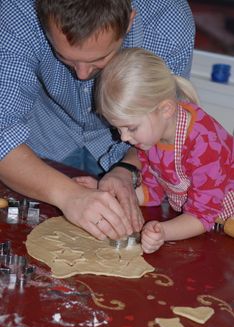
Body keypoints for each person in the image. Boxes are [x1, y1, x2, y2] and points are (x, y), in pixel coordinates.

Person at [0, 0, 195, 240]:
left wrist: (128, 169)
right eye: (64, 56)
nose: (82, 75)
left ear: (128, 23)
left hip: (130, 143)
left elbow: (166, 124)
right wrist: (67, 196)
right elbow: (2, 129)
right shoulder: (18, 9)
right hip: (43, 138)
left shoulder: (167, 22)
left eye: (100, 59)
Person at [93, 48, 233, 253]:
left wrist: (162, 232)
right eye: (118, 129)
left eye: (130, 128)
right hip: (204, 227)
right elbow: (153, 191)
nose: (123, 138)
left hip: (223, 224)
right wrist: (113, 200)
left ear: (165, 109)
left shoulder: (204, 144)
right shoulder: (151, 136)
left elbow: (201, 216)